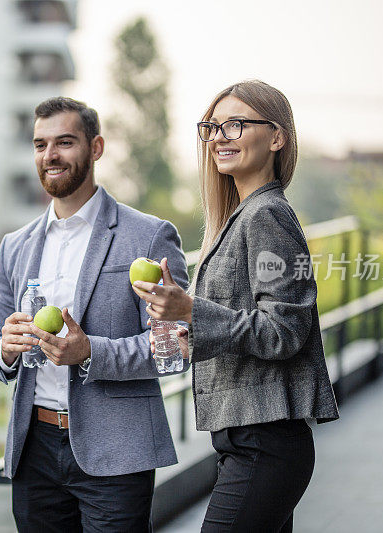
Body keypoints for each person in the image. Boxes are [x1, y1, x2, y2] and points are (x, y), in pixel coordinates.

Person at [133, 80, 340, 532]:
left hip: (264, 443)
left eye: (236, 124)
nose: (219, 137)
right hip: (248, 442)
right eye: (213, 127)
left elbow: (284, 329)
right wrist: (188, 331)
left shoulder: (268, 215)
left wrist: (191, 310)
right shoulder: (242, 216)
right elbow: (247, 324)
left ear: (277, 136)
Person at [0, 96, 188, 532]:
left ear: (96, 147)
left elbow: (175, 348)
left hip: (117, 452)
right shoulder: (15, 246)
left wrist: (89, 351)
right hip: (33, 448)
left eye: (64, 142)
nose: (50, 155)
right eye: (40, 145)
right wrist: (7, 351)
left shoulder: (148, 236)